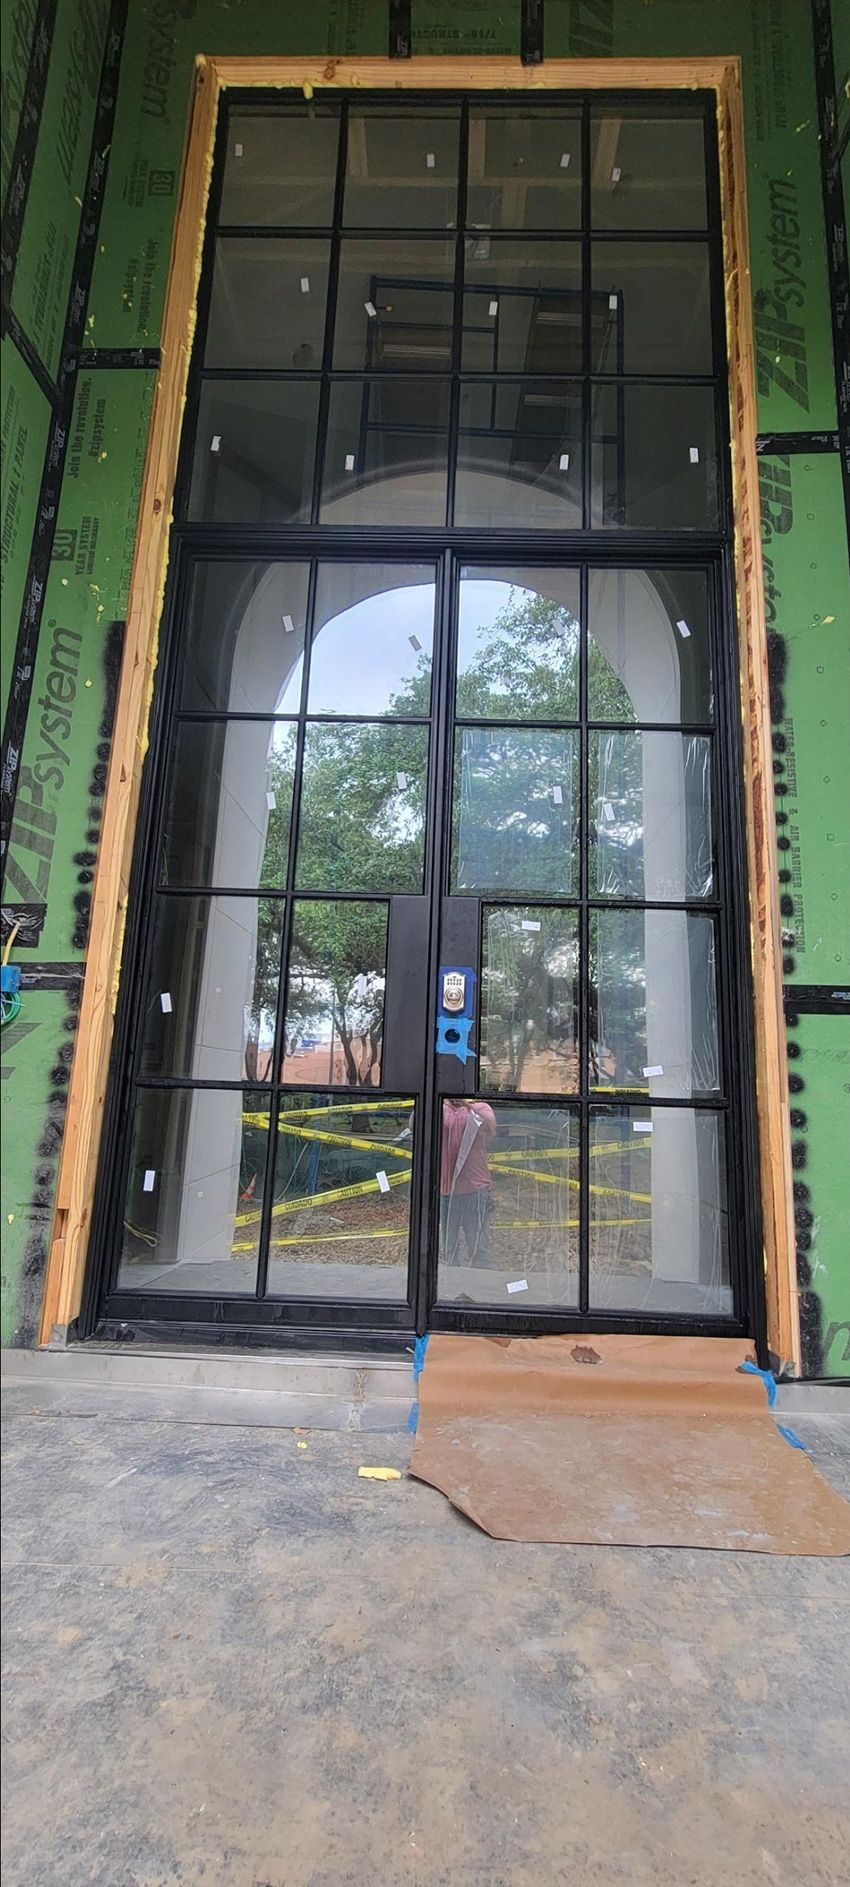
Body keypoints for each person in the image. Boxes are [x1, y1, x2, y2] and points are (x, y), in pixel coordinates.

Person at [439, 1096, 497, 1268]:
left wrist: (466, 1104)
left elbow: (490, 1126)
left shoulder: (481, 1107)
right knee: (449, 1247)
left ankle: (481, 1287)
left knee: (479, 1244)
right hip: (446, 1190)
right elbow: (415, 1124)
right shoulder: (440, 1106)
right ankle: (449, 1288)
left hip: (475, 1188)